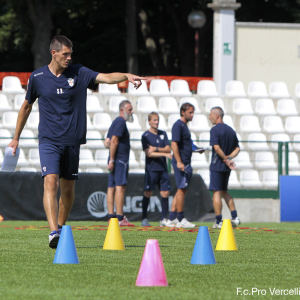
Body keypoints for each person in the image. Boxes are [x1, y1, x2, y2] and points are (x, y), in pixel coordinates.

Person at [8, 35, 146, 248]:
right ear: (53, 53)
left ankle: (61, 227)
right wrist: (16, 138)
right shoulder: (38, 77)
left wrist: (126, 75)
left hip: (72, 142)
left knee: (68, 190)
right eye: (65, 54)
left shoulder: (79, 72)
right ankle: (53, 232)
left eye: (71, 54)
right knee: (50, 181)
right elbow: (25, 107)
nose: (69, 58)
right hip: (48, 141)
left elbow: (106, 77)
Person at [166, 103, 204, 228]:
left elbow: (188, 144)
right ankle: (180, 218)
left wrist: (197, 149)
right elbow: (174, 144)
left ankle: (172, 218)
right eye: (190, 112)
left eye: (193, 112)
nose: (192, 115)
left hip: (186, 162)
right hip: (181, 162)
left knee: (181, 189)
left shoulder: (184, 126)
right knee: (182, 189)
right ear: (183, 112)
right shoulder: (178, 125)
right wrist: (179, 162)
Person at [208, 106, 241, 229]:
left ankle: (218, 220)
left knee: (216, 192)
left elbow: (216, 147)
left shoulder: (215, 130)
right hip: (226, 167)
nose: (209, 117)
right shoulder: (230, 130)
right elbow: (237, 148)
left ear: (217, 116)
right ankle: (235, 217)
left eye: (211, 114)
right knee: (224, 191)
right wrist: (229, 158)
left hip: (217, 164)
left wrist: (226, 159)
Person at [106, 100, 136, 226]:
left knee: (111, 187)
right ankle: (119, 217)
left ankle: (111, 216)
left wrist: (111, 159)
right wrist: (113, 159)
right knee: (120, 187)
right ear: (122, 110)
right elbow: (113, 141)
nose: (131, 112)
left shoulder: (115, 122)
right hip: (120, 160)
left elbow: (107, 141)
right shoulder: (120, 122)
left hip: (115, 159)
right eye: (129, 110)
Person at [141, 112, 172, 227]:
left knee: (165, 192)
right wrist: (163, 154)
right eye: (154, 120)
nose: (156, 122)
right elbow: (149, 153)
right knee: (148, 192)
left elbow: (168, 149)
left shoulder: (163, 134)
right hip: (151, 169)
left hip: (162, 169)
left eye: (157, 120)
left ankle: (164, 218)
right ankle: (144, 218)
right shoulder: (145, 136)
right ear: (149, 121)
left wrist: (157, 149)